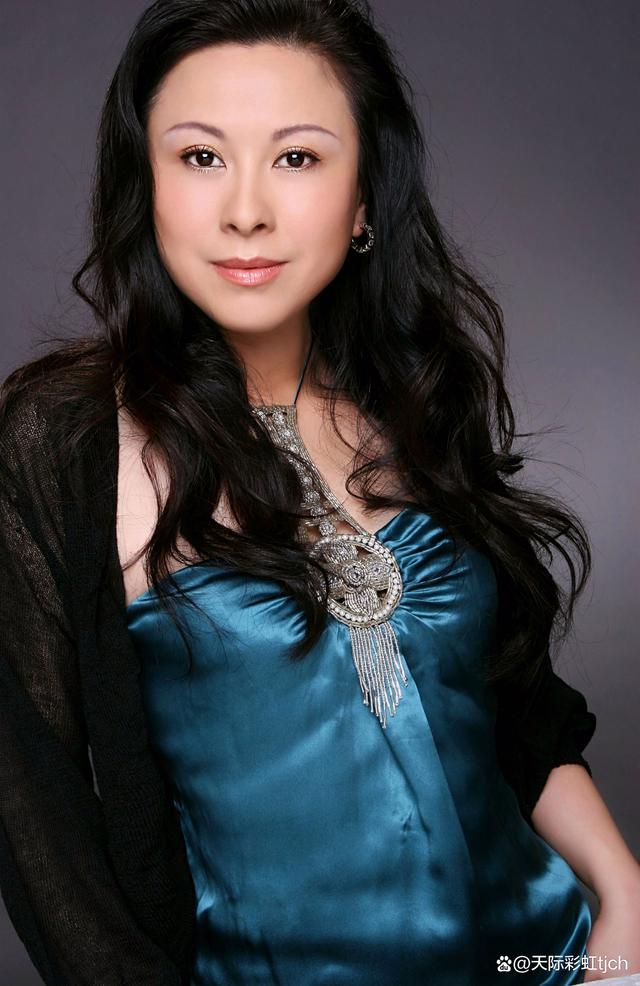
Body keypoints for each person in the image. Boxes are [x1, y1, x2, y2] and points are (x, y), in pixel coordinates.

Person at [1, 1, 638, 984]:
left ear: (364, 199)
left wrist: (624, 895)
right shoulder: (64, 441)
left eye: (296, 157)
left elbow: (513, 699)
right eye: (201, 156)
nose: (245, 209)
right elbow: (35, 814)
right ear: (145, 184)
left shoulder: (411, 398)